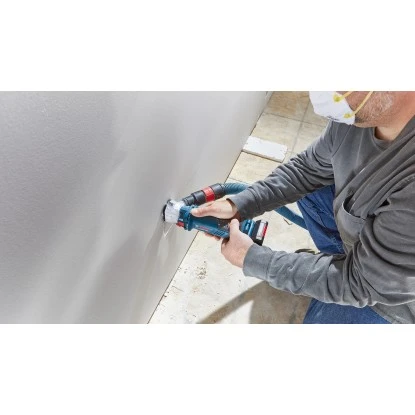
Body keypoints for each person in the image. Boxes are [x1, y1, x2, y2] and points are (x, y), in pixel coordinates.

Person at [191, 91, 415, 324]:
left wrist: (253, 258)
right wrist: (240, 204)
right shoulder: (359, 113)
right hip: (379, 252)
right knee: (315, 191)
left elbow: (361, 283)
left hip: (394, 299)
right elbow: (307, 169)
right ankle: (339, 265)